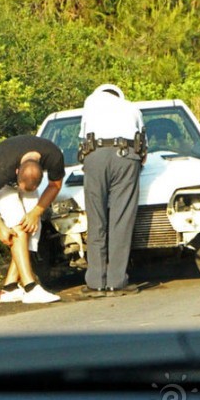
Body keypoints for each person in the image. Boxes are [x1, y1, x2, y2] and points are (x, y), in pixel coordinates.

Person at [0, 135, 65, 304]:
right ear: (16, 172)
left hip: (25, 174)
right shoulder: (1, 169)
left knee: (32, 226)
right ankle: (30, 286)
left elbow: (55, 185)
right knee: (17, 224)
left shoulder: (54, 156)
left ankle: (9, 287)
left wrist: (35, 213)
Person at [77, 84, 145, 298]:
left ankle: (96, 282)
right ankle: (117, 282)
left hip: (95, 155)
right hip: (126, 155)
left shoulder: (90, 104)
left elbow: (83, 138)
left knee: (96, 219)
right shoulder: (133, 108)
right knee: (121, 220)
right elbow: (143, 147)